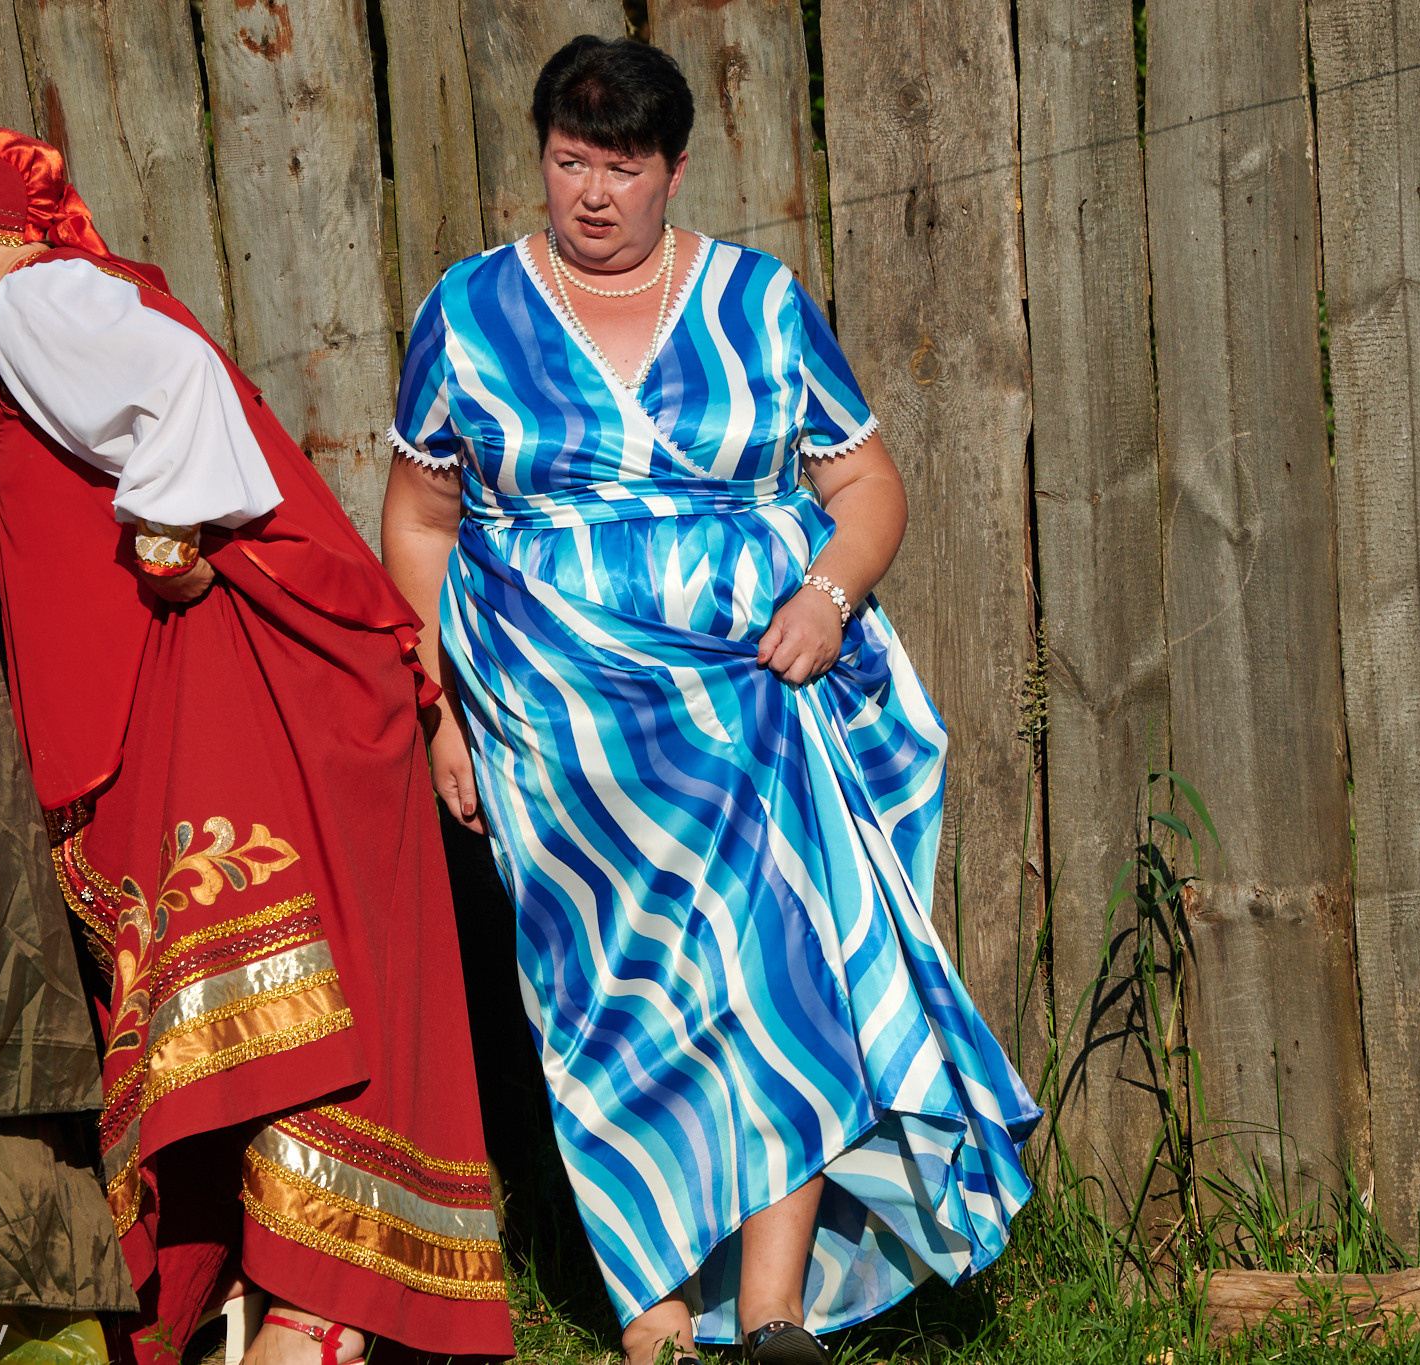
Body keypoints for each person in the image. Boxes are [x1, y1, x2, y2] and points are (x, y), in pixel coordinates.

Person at [381, 36, 1041, 1365]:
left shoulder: (758, 300)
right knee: (614, 1004)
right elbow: (417, 520)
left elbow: (867, 487)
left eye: (623, 167)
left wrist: (830, 596)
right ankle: (657, 1320)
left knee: (778, 980)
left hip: (753, 708)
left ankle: (780, 1313)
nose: (594, 194)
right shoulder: (468, 309)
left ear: (675, 169)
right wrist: (438, 704)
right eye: (571, 161)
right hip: (558, 735)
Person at [0, 104, 514, 1365]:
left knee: (272, 976)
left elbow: (178, 391)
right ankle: (279, 1293)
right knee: (294, 978)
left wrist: (168, 540)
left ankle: (311, 1310)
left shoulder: (32, 304)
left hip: (232, 675)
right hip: (261, 673)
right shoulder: (76, 290)